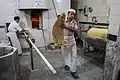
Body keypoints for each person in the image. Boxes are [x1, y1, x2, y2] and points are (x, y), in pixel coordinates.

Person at [61, 9, 79, 79]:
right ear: (68, 14)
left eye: (74, 14)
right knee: (65, 53)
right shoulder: (63, 21)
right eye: (71, 14)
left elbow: (75, 30)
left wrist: (67, 27)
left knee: (74, 55)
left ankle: (73, 70)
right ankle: (67, 64)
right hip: (64, 39)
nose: (73, 16)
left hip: (72, 38)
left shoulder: (74, 22)